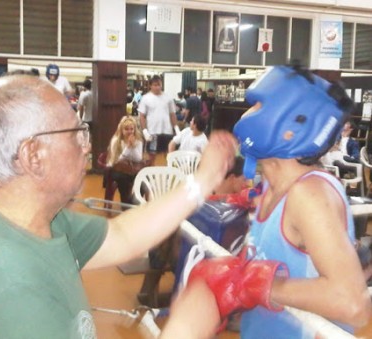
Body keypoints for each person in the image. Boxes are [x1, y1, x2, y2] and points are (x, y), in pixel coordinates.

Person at [0, 74, 238, 338]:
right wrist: (184, 329)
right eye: (76, 134)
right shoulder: (7, 288)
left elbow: (122, 234)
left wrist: (203, 180)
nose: (87, 146)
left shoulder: (18, 216)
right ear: (33, 155)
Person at [185, 65, 372, 338]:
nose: (247, 113)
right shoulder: (272, 188)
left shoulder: (309, 194)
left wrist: (253, 282)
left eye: (258, 105)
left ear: (287, 126)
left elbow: (353, 304)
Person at [138, 75, 178, 164]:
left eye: (159, 84)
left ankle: (168, 175)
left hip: (167, 132)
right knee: (151, 157)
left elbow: (172, 114)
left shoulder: (168, 98)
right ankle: (150, 175)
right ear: (150, 86)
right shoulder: (145, 98)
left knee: (169, 156)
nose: (157, 87)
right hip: (152, 132)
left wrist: (177, 129)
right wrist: (145, 131)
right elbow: (142, 116)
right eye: (155, 85)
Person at [106, 116, 144, 205]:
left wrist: (133, 146)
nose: (129, 131)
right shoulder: (116, 141)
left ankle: (134, 202)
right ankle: (125, 204)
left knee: (142, 181)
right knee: (123, 179)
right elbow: (117, 161)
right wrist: (128, 147)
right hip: (116, 169)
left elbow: (138, 158)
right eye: (126, 129)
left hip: (132, 168)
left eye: (132, 129)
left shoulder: (138, 141)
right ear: (121, 130)